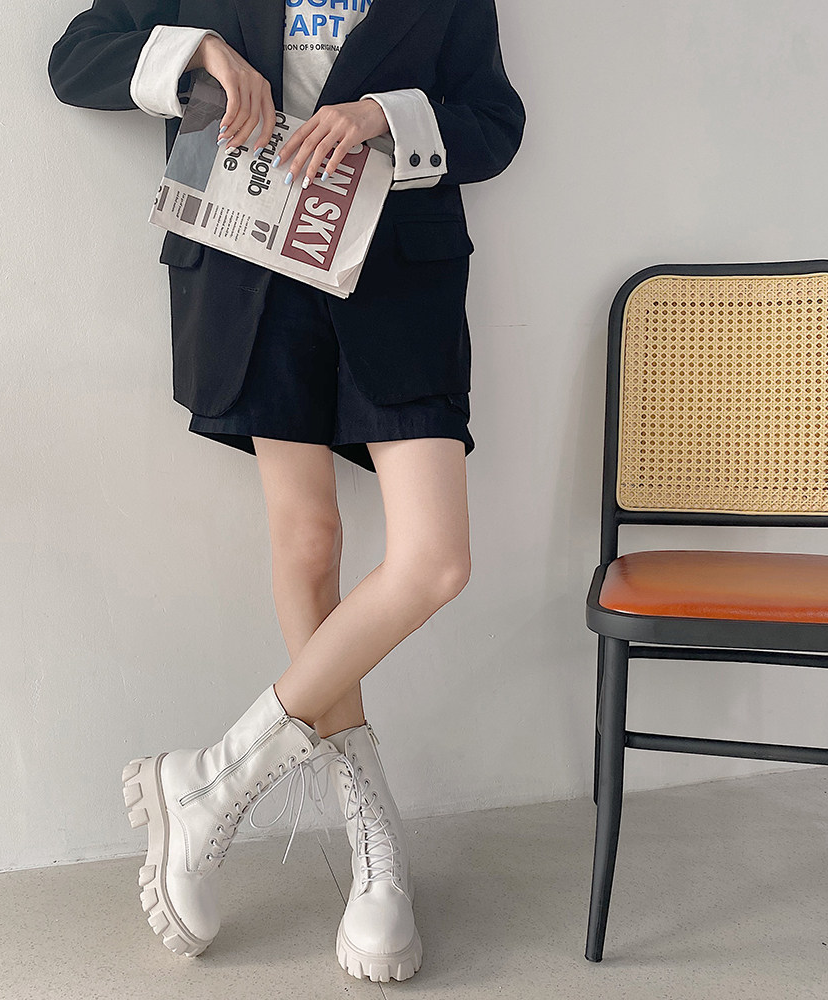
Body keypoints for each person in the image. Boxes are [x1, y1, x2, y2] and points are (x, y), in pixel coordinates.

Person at [49, 0, 525, 984]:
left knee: (434, 561)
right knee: (308, 544)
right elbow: (76, 59)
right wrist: (201, 52)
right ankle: (372, 848)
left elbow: (494, 121)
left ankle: (212, 780)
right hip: (253, 266)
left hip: (398, 277)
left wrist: (385, 115)